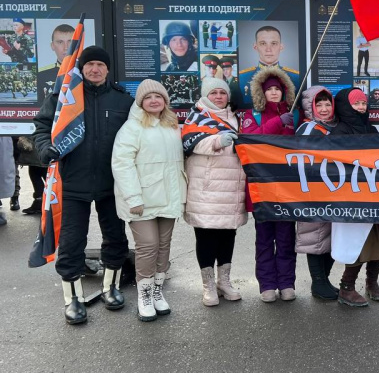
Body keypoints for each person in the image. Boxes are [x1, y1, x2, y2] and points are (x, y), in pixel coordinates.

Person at [33, 46, 134, 325]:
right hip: (72, 183)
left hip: (111, 183)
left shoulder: (123, 100)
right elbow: (42, 127)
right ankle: (73, 298)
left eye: (101, 64)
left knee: (115, 238)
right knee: (71, 243)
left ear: (108, 69)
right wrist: (46, 149)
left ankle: (110, 287)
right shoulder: (65, 98)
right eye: (90, 64)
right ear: (82, 68)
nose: (95, 69)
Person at [111, 79, 186, 321]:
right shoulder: (131, 128)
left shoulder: (172, 125)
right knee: (148, 246)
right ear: (141, 102)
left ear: (165, 101)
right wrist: (133, 197)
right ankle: (144, 295)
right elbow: (122, 164)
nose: (154, 101)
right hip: (141, 200)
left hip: (169, 198)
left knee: (164, 246)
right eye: (148, 97)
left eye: (158, 97)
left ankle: (156, 293)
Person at [182, 77, 247, 307]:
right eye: (214, 93)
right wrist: (217, 141)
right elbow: (189, 142)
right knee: (207, 238)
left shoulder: (237, 118)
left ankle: (224, 281)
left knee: (228, 237)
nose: (219, 96)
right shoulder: (197, 116)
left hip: (232, 189)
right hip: (206, 189)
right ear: (205, 96)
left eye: (222, 92)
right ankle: (208, 284)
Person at [240, 67, 297, 303]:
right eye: (269, 89)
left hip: (286, 188)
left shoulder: (294, 114)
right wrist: (276, 123)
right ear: (262, 93)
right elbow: (251, 141)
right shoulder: (252, 114)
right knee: (264, 239)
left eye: (278, 89)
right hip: (261, 188)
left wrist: (290, 123)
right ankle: (266, 284)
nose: (274, 93)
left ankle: (286, 283)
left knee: (286, 238)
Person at [330, 88, 379, 307]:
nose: (362, 107)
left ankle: (372, 282)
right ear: (346, 106)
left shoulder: (371, 129)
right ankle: (347, 287)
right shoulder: (339, 132)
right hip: (352, 199)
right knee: (357, 243)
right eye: (356, 103)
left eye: (364, 103)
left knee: (378, 241)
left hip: (375, 195)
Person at [294, 86, 339, 300]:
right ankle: (318, 283)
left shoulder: (335, 127)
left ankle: (325, 280)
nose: (323, 108)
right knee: (314, 237)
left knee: (329, 238)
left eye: (327, 103)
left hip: (332, 192)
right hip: (312, 191)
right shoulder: (307, 129)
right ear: (310, 107)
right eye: (318, 104)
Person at [239, 26, 300, 106]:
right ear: (255, 46)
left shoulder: (296, 77)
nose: (268, 49)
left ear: (281, 46)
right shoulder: (242, 78)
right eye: (263, 43)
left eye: (274, 43)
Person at [39, 23, 75, 99]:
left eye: (70, 41)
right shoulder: (41, 75)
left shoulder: (86, 73)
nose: (66, 47)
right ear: (52, 46)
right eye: (60, 42)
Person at [16, 135, 48, 214]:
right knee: (43, 175)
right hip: (42, 145)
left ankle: (40, 202)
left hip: (37, 145)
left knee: (37, 174)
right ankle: (44, 201)